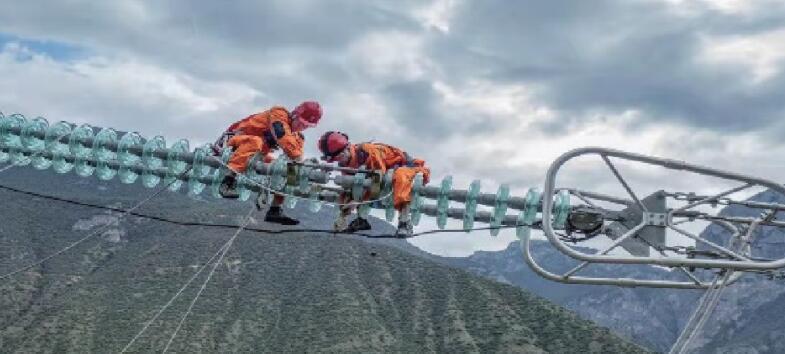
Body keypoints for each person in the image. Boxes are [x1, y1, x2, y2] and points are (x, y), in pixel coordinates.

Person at [215, 101, 322, 225]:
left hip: (254, 154)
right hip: (232, 143)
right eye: (301, 123)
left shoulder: (297, 137)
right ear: (294, 115)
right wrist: (297, 158)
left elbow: (296, 158)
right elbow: (282, 135)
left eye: (306, 126)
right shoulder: (278, 115)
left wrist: (292, 180)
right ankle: (227, 182)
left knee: (282, 167)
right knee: (256, 142)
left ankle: (275, 208)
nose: (302, 127)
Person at [317, 131, 430, 237]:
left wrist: (358, 201)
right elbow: (350, 189)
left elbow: (377, 181)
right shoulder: (346, 163)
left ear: (346, 149)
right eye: (336, 160)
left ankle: (404, 222)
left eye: (339, 157)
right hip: (384, 175)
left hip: (409, 168)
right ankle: (361, 220)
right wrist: (343, 215)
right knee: (355, 186)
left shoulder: (368, 152)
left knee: (400, 176)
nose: (339, 161)